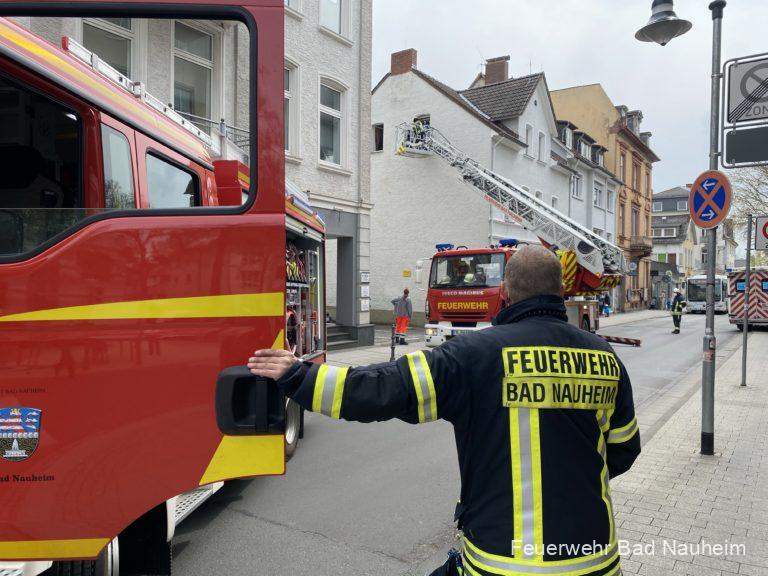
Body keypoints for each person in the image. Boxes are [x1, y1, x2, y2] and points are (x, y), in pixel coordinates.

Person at [248, 246, 641, 576]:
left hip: (501, 563)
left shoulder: (473, 356)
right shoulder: (605, 358)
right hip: (597, 561)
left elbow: (380, 389)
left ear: (504, 293)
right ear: (562, 291)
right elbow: (623, 449)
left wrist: (297, 376)